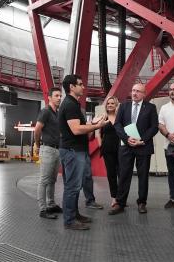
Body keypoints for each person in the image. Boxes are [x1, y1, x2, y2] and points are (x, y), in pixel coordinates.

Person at [58, 74, 108, 230]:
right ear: (72, 87)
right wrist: (96, 126)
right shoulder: (70, 105)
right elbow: (76, 129)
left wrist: (92, 123)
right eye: (80, 84)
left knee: (74, 185)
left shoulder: (73, 104)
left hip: (76, 150)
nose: (83, 86)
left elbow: (80, 126)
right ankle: (69, 220)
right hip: (73, 151)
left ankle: (74, 214)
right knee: (72, 187)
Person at [109, 82, 159, 215]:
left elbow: (154, 127)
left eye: (138, 91)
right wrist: (126, 138)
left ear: (144, 93)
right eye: (133, 90)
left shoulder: (150, 107)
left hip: (143, 146)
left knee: (143, 176)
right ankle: (120, 203)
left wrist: (142, 140)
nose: (135, 93)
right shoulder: (124, 106)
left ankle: (142, 202)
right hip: (126, 146)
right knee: (124, 174)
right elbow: (118, 124)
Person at [33, 86, 63, 219]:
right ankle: (42, 209)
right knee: (44, 180)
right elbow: (37, 129)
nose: (59, 98)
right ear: (50, 97)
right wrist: (37, 144)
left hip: (57, 149)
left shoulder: (56, 113)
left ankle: (51, 205)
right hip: (47, 149)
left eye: (60, 96)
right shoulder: (45, 111)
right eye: (56, 96)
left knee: (52, 180)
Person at [97, 95, 121, 208]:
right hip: (107, 149)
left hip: (121, 149)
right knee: (111, 174)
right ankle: (114, 198)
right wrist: (101, 145)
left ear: (116, 105)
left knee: (122, 174)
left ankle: (121, 197)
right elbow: (98, 134)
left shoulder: (120, 118)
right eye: (108, 103)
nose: (110, 105)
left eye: (112, 103)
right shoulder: (103, 118)